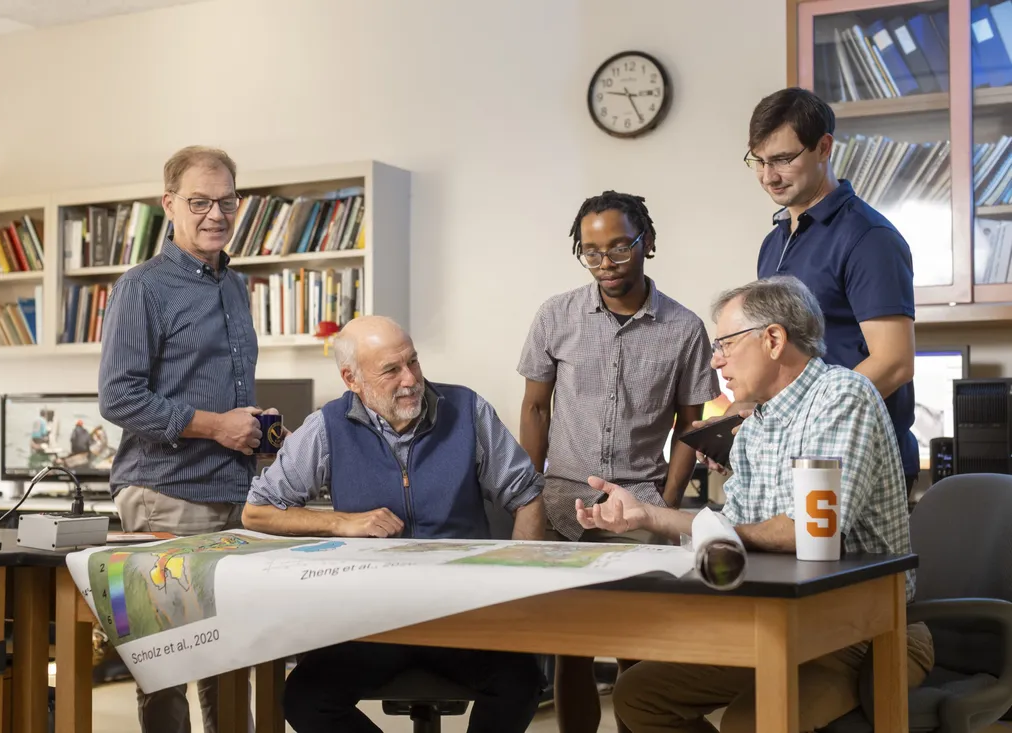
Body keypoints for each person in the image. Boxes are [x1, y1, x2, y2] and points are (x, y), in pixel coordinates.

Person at [575, 275, 935, 733]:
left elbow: (809, 529)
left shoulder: (842, 396)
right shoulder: (757, 423)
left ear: (773, 339)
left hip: (868, 633)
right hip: (782, 625)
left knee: (750, 723)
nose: (716, 360)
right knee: (640, 695)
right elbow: (736, 526)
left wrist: (720, 534)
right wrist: (646, 516)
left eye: (724, 343)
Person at [243, 315, 547, 733]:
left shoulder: (468, 410)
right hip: (372, 618)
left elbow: (527, 495)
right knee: (306, 700)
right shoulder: (326, 427)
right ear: (352, 379)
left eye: (414, 362)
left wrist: (516, 591)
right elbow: (257, 510)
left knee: (522, 682)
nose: (411, 379)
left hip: (460, 614)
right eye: (391, 370)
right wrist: (340, 523)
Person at [516, 191, 719, 733]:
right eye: (591, 252)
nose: (605, 264)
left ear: (647, 243)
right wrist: (528, 493)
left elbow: (690, 429)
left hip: (640, 504)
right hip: (561, 501)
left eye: (618, 249)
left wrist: (667, 506)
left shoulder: (685, 328)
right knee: (571, 646)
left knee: (637, 646)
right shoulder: (555, 316)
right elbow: (536, 407)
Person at [98, 145, 266, 733]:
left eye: (226, 202)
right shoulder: (141, 287)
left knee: (230, 660)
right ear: (169, 205)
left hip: (232, 493)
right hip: (164, 492)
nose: (215, 214)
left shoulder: (235, 287)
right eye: (199, 202)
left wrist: (254, 428)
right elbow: (119, 397)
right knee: (165, 662)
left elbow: (219, 393)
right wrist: (218, 425)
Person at [743, 87, 918, 490]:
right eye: (760, 161)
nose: (769, 176)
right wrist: (747, 418)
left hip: (859, 459)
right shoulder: (775, 242)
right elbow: (781, 357)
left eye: (784, 159)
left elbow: (894, 362)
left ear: (823, 148)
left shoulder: (869, 237)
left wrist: (804, 419)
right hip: (797, 455)